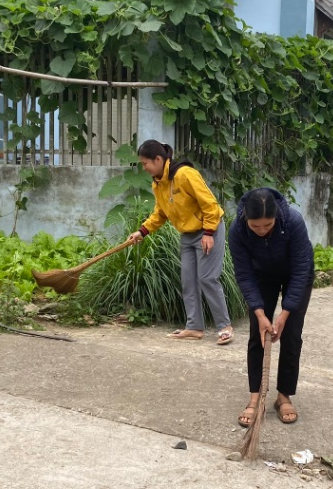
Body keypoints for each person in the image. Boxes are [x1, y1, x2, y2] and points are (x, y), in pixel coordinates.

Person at [127, 140, 233, 344]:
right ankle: (194, 327)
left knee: (207, 278)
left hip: (208, 230)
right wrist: (142, 231)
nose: (144, 167)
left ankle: (224, 326)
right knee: (188, 281)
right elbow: (160, 213)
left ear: (158, 159)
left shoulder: (185, 174)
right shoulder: (158, 183)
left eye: (145, 163)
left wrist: (209, 232)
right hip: (187, 235)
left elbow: (209, 204)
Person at [229, 188, 315, 427]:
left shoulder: (293, 222)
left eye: (267, 225)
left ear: (276, 217)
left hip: (295, 275)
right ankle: (255, 397)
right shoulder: (237, 229)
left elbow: (300, 271)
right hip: (260, 275)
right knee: (258, 335)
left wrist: (284, 315)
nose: (261, 231)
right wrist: (260, 313)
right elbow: (244, 275)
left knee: (291, 335)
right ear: (246, 218)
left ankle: (284, 396)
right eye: (255, 226)